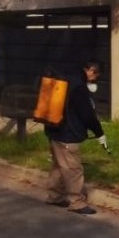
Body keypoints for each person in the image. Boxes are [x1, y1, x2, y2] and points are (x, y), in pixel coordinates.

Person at [44, 60, 108, 215]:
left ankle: (54, 196)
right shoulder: (78, 86)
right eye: (96, 75)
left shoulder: (64, 78)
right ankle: (76, 202)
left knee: (59, 165)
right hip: (68, 133)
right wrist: (100, 133)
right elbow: (87, 115)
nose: (95, 79)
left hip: (53, 128)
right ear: (91, 70)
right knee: (73, 169)